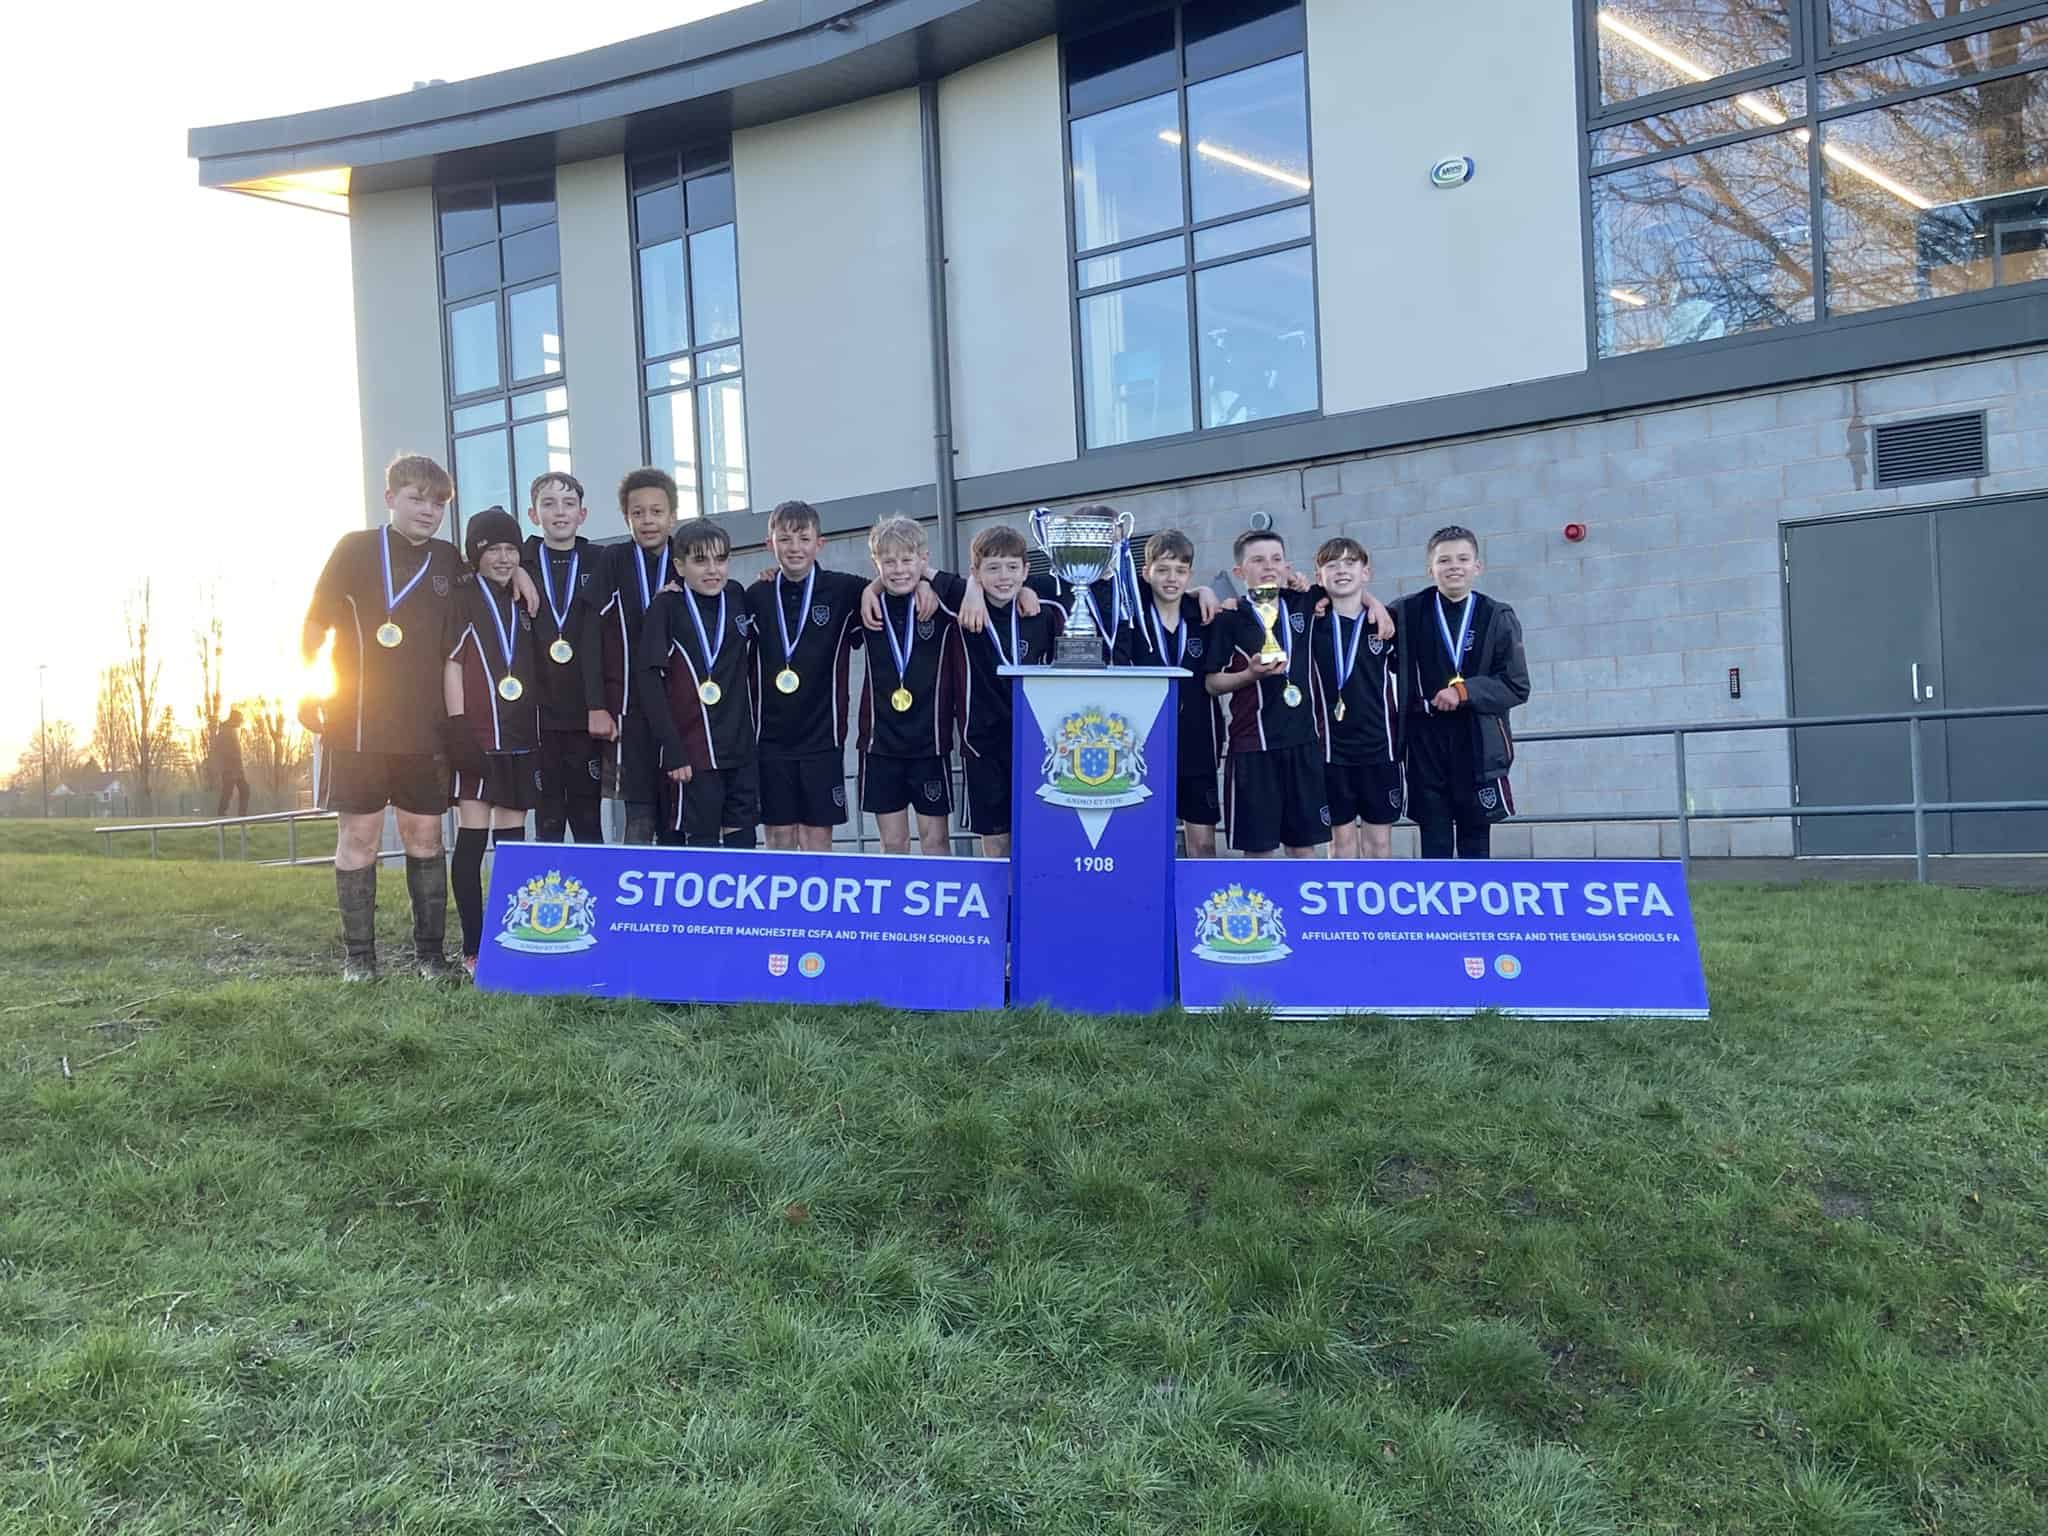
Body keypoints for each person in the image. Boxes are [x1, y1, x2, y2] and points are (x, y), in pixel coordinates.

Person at [300, 453, 466, 981]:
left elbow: (489, 591)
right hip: (356, 723)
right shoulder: (354, 548)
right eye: (417, 499)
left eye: (438, 503)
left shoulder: (448, 559)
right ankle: (360, 961)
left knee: (425, 837)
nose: (428, 511)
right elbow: (315, 623)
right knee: (360, 838)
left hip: (425, 727)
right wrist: (306, 686)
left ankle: (430, 957)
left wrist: (524, 578)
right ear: (391, 497)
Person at [443, 508, 543, 976]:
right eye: (493, 550)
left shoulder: (522, 599)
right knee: (471, 839)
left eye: (511, 550)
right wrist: (457, 725)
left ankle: (511, 941)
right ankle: (473, 947)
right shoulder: (462, 597)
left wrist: (523, 572)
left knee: (513, 846)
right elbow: (452, 664)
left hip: (519, 739)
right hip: (478, 739)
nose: (504, 559)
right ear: (476, 555)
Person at [1393, 526, 1528, 860]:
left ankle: (1475, 898)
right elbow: (1360, 617)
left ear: (1477, 567)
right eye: (1444, 560)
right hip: (1425, 743)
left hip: (1477, 741)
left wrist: (1465, 691)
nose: (1454, 566)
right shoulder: (1406, 612)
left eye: (1463, 559)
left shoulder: (1496, 615)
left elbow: (1516, 685)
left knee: (1475, 844)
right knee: (1434, 844)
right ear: (1430, 569)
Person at [742, 500, 870, 852]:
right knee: (779, 838)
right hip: (769, 740)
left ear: (819, 543)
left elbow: (889, 585)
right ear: (769, 544)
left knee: (817, 838)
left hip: (823, 739)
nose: (794, 547)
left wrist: (925, 586)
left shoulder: (844, 590)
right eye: (784, 539)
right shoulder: (756, 595)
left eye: (803, 539)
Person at [929, 525, 1061, 858]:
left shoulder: (1043, 611)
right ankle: (999, 893)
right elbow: (919, 570)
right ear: (975, 571)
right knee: (996, 839)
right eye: (992, 568)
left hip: (1036, 744)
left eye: (1012, 567)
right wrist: (971, 589)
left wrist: (1025, 590)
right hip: (982, 744)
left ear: (1026, 571)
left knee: (1038, 834)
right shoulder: (961, 606)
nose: (1004, 577)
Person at [1207, 528, 1333, 861]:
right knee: (1259, 851)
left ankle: (1304, 900)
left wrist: (1374, 604)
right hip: (1254, 748)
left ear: (1287, 566)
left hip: (1304, 744)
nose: (1268, 567)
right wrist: (1249, 675)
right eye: (1258, 560)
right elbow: (1211, 683)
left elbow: (1349, 586)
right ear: (1239, 571)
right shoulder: (1230, 618)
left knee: (1304, 848)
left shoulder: (1304, 601)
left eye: (1276, 559)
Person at [639, 519, 759, 848]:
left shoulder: (737, 596)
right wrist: (673, 750)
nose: (712, 570)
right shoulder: (666, 607)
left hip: (740, 751)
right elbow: (650, 683)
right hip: (693, 754)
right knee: (700, 846)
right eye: (700, 560)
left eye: (720, 559)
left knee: (743, 841)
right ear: (679, 566)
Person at [1111, 531, 1225, 856]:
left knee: (1203, 843)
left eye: (1180, 571)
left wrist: (1205, 592)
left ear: (1190, 575)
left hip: (1198, 743)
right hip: (1142, 746)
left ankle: (1198, 893)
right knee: (1146, 841)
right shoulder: (1132, 617)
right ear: (1146, 573)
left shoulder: (1203, 617)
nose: (1171, 578)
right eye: (1162, 570)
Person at [859, 516, 962, 855]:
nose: (899, 569)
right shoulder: (865, 606)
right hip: (880, 745)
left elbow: (971, 592)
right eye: (889, 562)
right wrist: (871, 589)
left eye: (907, 560)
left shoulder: (939, 602)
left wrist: (927, 579)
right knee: (893, 843)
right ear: (876, 564)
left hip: (929, 744)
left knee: (936, 841)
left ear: (924, 558)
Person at [521, 471, 609, 844]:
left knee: (588, 818)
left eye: (569, 504)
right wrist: (517, 571)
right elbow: (478, 557)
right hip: (538, 713)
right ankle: (550, 884)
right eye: (549, 504)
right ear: (533, 514)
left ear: (582, 514)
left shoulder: (602, 560)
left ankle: (594, 884)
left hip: (586, 711)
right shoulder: (521, 559)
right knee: (548, 818)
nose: (560, 512)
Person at [598, 468, 681, 844]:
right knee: (639, 816)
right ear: (626, 518)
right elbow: (591, 634)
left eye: (657, 512)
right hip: (631, 711)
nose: (648, 521)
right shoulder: (614, 559)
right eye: (638, 513)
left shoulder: (689, 557)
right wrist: (597, 704)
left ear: (672, 516)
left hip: (682, 712)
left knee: (679, 815)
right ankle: (633, 882)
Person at [1311, 537, 1403, 859]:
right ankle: (1340, 897)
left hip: (1380, 748)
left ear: (1366, 572)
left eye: (1350, 563)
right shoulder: (1312, 623)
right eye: (1332, 564)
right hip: (1331, 751)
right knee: (1341, 845)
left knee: (1379, 845)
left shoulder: (1388, 622)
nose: (1341, 570)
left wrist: (1372, 602)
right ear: (1319, 576)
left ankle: (1379, 896)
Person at [211, 709, 250, 820]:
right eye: (240, 720)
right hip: (229, 768)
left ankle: (242, 815)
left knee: (244, 790)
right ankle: (221, 813)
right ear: (235, 720)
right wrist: (229, 763)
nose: (241, 723)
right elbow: (222, 750)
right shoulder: (225, 731)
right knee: (228, 791)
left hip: (237, 767)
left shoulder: (233, 730)